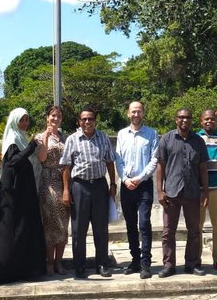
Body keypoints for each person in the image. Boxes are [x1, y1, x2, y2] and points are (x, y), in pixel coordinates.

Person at [0, 108, 47, 284]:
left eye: (26, 120)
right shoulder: (12, 139)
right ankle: (9, 271)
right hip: (14, 195)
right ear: (14, 121)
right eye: (21, 120)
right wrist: (31, 145)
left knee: (25, 229)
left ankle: (27, 269)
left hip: (24, 192)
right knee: (13, 230)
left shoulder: (20, 137)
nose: (25, 123)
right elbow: (13, 161)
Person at [59, 106, 117, 279]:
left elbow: (110, 162)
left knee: (101, 228)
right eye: (84, 119)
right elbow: (66, 167)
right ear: (79, 121)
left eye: (90, 119)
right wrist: (66, 190)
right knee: (79, 229)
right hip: (79, 187)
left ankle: (102, 264)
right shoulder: (72, 140)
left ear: (95, 121)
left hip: (99, 186)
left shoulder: (103, 138)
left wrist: (113, 184)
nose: (87, 122)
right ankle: (80, 267)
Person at [154, 108, 209, 278]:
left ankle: (191, 264)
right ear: (175, 119)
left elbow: (203, 168)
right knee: (168, 231)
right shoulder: (166, 139)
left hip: (192, 192)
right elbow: (160, 166)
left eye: (188, 117)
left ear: (192, 120)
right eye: (181, 117)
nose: (184, 120)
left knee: (194, 230)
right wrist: (160, 191)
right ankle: (169, 265)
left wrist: (205, 191)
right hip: (172, 192)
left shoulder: (198, 141)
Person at [114, 101, 159, 279]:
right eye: (133, 111)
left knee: (144, 224)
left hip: (144, 185)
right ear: (128, 114)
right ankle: (135, 260)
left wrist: (139, 179)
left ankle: (146, 263)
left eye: (139, 111)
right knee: (130, 225)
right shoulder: (122, 134)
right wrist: (125, 179)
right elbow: (118, 159)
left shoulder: (152, 133)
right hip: (126, 186)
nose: (136, 114)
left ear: (143, 113)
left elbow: (154, 160)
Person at [35, 105, 70, 275]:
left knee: (63, 225)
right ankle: (49, 262)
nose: (56, 119)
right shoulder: (40, 137)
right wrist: (47, 137)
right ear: (47, 118)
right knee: (49, 225)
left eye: (59, 116)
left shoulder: (65, 137)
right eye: (53, 116)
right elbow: (42, 158)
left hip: (64, 181)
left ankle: (59, 262)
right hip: (48, 183)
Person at [196, 109, 217, 273]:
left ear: (216, 122)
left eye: (212, 119)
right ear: (201, 121)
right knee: (197, 226)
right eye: (206, 119)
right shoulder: (196, 137)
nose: (210, 121)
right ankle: (196, 260)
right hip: (200, 190)